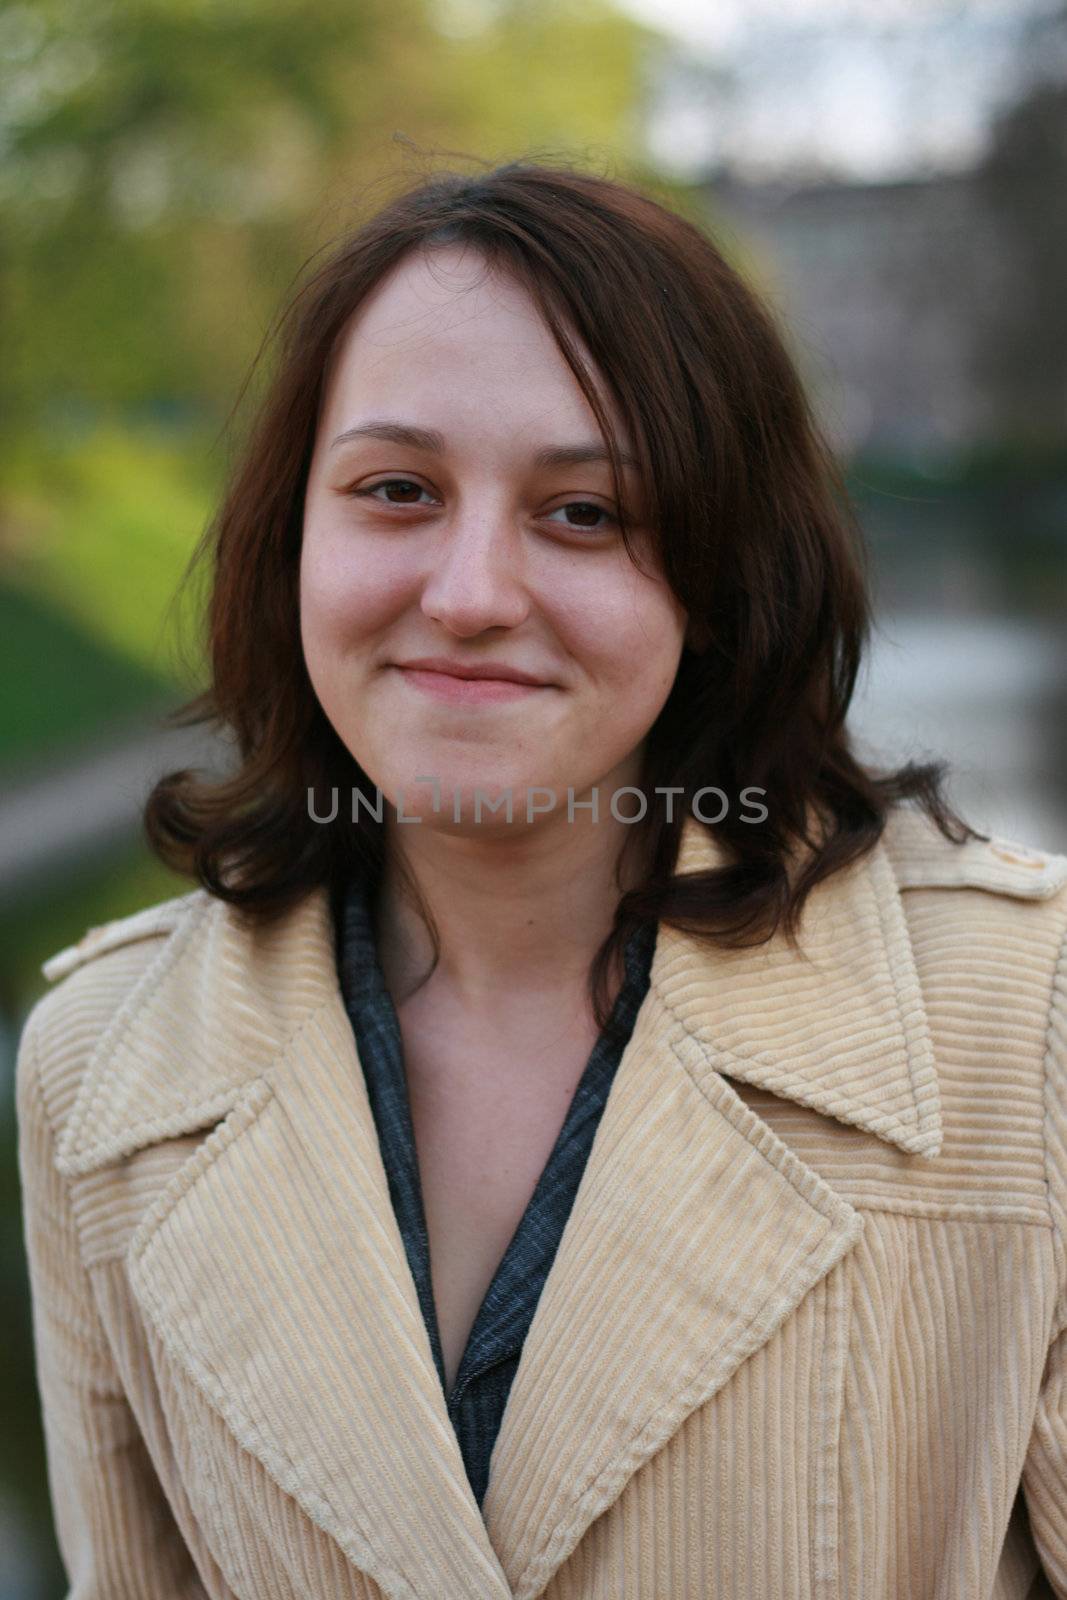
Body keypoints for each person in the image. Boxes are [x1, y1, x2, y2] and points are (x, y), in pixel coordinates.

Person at [16, 159, 1067, 1600]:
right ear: (294, 537)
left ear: (720, 581)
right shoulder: (97, 1069)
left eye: (584, 513)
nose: (466, 594)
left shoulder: (1032, 1019)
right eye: (396, 490)